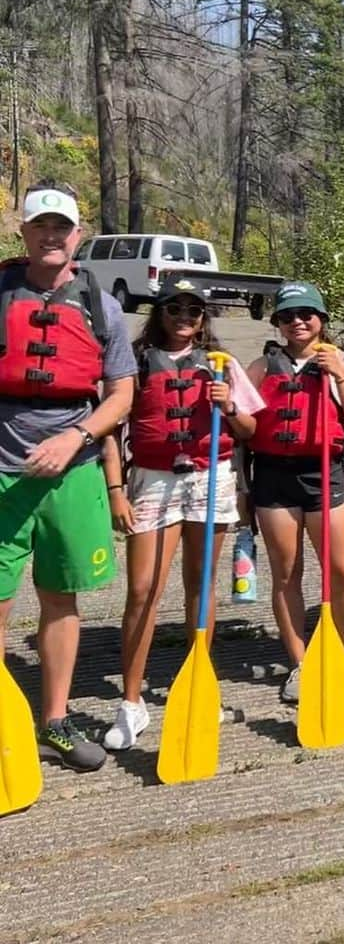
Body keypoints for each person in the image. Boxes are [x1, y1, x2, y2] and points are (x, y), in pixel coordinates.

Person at [0, 181, 136, 772]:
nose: (51, 235)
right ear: (23, 233)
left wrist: (76, 437)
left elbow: (122, 394)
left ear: (77, 235)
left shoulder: (100, 303)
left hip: (74, 471)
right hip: (3, 473)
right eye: (40, 226)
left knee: (61, 598)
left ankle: (54, 719)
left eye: (62, 227)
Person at [100, 280, 263, 749]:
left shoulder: (222, 364)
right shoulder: (131, 360)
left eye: (194, 309)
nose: (185, 315)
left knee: (201, 582)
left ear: (204, 316)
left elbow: (250, 428)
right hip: (152, 480)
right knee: (142, 589)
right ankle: (131, 703)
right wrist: (115, 490)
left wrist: (228, 405)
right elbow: (110, 430)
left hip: (209, 478)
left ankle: (198, 678)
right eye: (175, 307)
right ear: (160, 312)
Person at [246, 282, 344, 703]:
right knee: (286, 575)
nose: (298, 322)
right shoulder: (263, 367)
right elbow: (241, 426)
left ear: (321, 319)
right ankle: (300, 663)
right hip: (273, 479)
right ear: (278, 323)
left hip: (324, 477)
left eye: (306, 314)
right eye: (287, 316)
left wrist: (338, 374)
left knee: (341, 573)